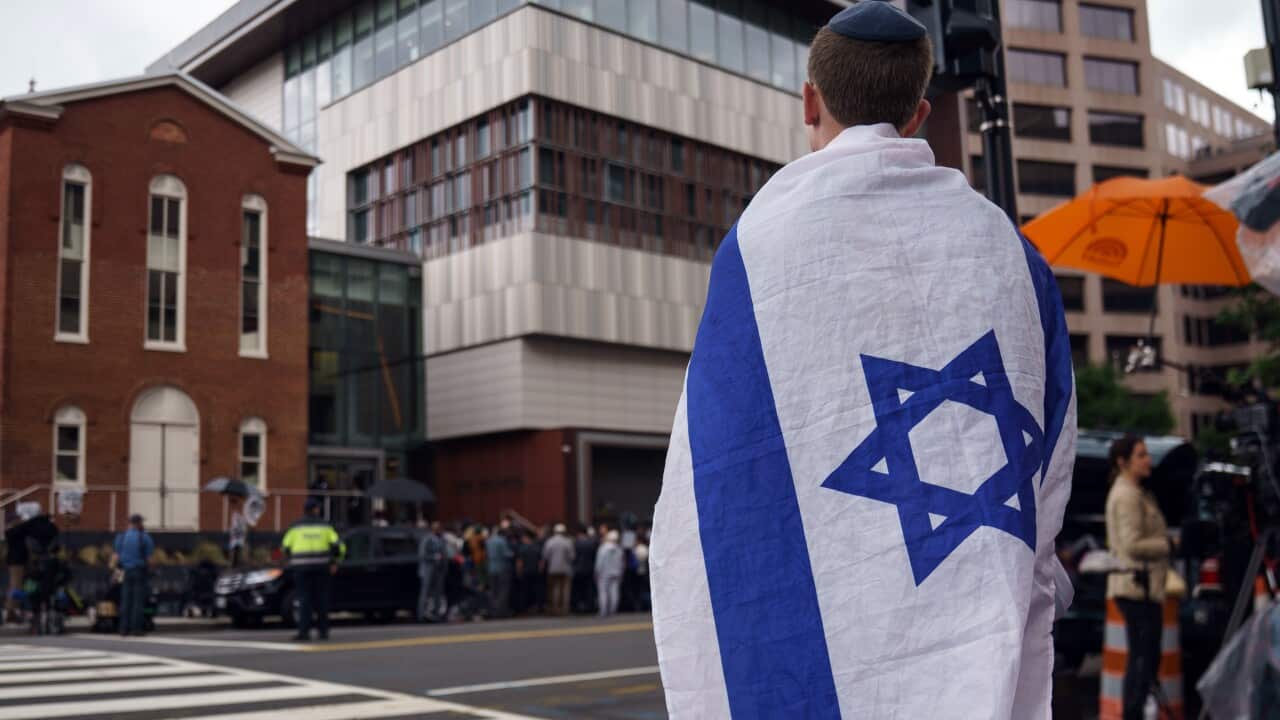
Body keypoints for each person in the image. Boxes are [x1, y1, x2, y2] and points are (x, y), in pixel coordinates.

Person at [649, 3, 1077, 717]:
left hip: (826, 626)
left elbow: (719, 466)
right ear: (919, 112)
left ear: (810, 100)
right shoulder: (1007, 251)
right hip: (976, 632)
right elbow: (1047, 443)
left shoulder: (761, 247)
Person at [1105, 435, 1172, 720]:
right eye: (1141, 455)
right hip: (1136, 588)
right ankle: (1132, 714)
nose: (1148, 461)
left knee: (1145, 659)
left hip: (1144, 588)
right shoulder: (1126, 495)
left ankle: (1137, 711)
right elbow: (1131, 544)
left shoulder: (1137, 492)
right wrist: (1169, 545)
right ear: (1124, 462)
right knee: (1142, 660)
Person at [281, 498, 345, 642]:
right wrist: (335, 562)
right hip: (321, 567)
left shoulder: (295, 527)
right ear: (316, 509)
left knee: (304, 600)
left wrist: (291, 560)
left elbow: (285, 547)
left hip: (301, 568)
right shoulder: (325, 527)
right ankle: (323, 632)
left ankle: (304, 632)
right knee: (321, 599)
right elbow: (338, 546)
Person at [112, 514, 154, 637]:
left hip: (125, 572)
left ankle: (123, 629)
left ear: (130, 523)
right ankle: (136, 629)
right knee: (137, 602)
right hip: (139, 571)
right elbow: (149, 558)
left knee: (125, 600)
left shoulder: (121, 537)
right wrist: (152, 570)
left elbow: (116, 557)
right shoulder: (144, 537)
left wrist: (115, 573)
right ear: (139, 523)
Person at [417, 521, 447, 622]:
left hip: (438, 570)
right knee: (425, 593)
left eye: (439, 528)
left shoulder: (442, 539)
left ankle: (436, 615)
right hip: (428, 569)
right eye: (437, 528)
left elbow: (444, 553)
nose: (439, 530)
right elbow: (422, 554)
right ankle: (421, 615)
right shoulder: (427, 539)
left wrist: (444, 565)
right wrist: (433, 557)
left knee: (437, 593)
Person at [542, 523, 575, 616]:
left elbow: (545, 556)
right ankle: (563, 610)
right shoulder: (568, 542)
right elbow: (572, 556)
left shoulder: (550, 541)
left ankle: (553, 609)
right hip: (565, 569)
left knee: (553, 590)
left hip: (552, 569)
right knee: (564, 590)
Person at [485, 526, 514, 618]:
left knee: (493, 591)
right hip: (502, 568)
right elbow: (507, 554)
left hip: (491, 568)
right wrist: (513, 553)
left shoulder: (489, 541)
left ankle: (492, 610)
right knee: (503, 591)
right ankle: (500, 612)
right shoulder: (502, 541)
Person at [595, 530, 624, 617]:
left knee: (603, 592)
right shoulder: (619, 549)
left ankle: (603, 610)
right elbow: (622, 563)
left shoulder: (603, 548)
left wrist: (597, 572)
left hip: (604, 573)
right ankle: (613, 610)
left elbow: (599, 562)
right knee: (614, 592)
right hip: (616, 573)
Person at [572, 525, 598, 614]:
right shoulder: (592, 543)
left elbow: (573, 557)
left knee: (578, 590)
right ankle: (589, 607)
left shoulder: (576, 543)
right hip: (589, 569)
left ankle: (578, 607)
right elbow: (594, 556)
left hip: (578, 569)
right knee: (589, 589)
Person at [227, 495, 248, 568]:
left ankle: (237, 564)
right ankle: (234, 564)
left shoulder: (238, 514)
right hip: (236, 535)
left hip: (238, 535)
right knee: (235, 550)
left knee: (237, 550)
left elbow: (239, 526)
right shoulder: (235, 514)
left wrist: (235, 529)